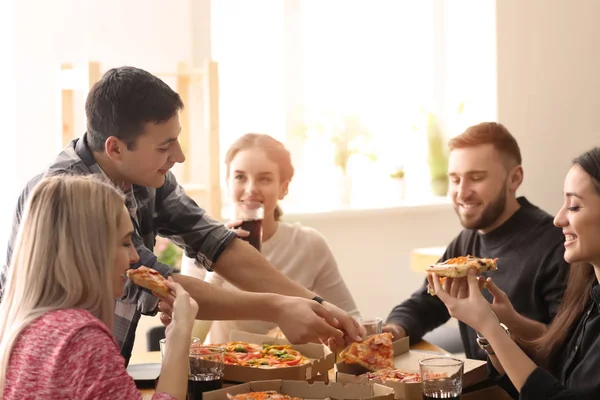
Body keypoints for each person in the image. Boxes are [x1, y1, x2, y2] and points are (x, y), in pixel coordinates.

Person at [2, 66, 362, 365]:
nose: (179, 156)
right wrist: (278, 307)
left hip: (98, 364)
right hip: (47, 369)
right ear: (115, 147)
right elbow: (152, 281)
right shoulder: (66, 195)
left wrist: (313, 304)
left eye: (176, 140)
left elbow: (213, 241)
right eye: (164, 146)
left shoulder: (146, 175)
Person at [0, 175, 197, 399]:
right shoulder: (81, 340)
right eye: (124, 243)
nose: (134, 257)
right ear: (87, 251)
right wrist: (181, 331)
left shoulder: (26, 328)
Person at [384, 122, 569, 360]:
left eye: (476, 178)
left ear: (514, 179)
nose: (462, 193)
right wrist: (394, 329)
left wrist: (501, 321)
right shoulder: (465, 243)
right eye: (455, 179)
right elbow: (426, 303)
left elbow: (567, 344)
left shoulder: (556, 245)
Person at [431, 147, 600, 399]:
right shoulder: (587, 295)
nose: (559, 219)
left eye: (574, 207)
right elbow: (542, 376)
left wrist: (489, 326)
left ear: (514, 179)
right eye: (455, 179)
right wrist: (497, 324)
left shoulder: (549, 246)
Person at [181, 133, 361, 344]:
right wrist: (216, 264)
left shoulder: (308, 244)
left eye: (264, 179)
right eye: (240, 177)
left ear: (283, 188)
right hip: (228, 369)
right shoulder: (201, 244)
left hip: (296, 366)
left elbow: (350, 317)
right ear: (228, 182)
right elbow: (189, 337)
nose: (250, 189)